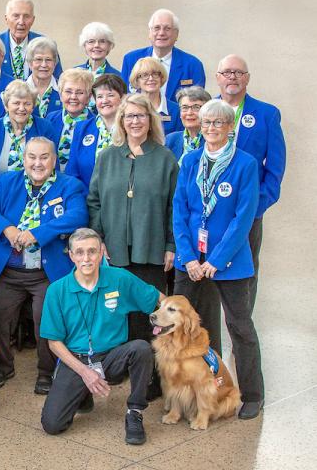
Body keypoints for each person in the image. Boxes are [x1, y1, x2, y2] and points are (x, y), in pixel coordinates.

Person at [172, 99, 263, 419]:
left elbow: (243, 217)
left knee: (240, 327)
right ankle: (187, 390)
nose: (210, 128)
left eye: (218, 123)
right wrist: (188, 256)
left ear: (230, 128)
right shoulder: (190, 160)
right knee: (180, 327)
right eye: (206, 122)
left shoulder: (245, 164)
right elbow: (180, 211)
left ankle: (252, 394)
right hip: (191, 261)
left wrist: (217, 260)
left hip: (229, 261)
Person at [0, 137, 88, 392]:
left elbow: (78, 215)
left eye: (44, 157)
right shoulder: (8, 181)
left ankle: (47, 372)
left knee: (44, 317)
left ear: (54, 159)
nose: (38, 163)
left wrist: (39, 232)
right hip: (10, 270)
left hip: (46, 273)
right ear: (24, 159)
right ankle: (3, 366)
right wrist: (6, 228)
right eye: (32, 157)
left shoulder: (70, 185)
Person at [87, 93, 177, 400]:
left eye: (140, 116)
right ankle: (119, 369)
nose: (135, 122)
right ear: (121, 121)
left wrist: (170, 244)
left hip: (151, 250)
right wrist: (98, 239)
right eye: (129, 116)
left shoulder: (165, 159)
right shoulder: (108, 156)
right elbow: (94, 201)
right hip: (115, 252)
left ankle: (151, 378)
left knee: (148, 315)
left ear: (150, 120)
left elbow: (173, 208)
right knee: (117, 311)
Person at [40, 228, 164, 445]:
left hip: (111, 357)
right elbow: (54, 343)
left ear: (101, 253)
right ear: (71, 255)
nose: (86, 258)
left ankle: (134, 412)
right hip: (76, 360)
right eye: (79, 252)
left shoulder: (120, 278)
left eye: (92, 251)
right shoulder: (56, 290)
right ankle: (82, 394)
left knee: (141, 348)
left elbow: (159, 299)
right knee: (52, 424)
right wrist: (85, 373)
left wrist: (182, 318)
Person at [214, 54, 286, 305]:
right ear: (217, 78)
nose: (232, 77)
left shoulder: (266, 114)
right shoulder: (204, 109)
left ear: (247, 79)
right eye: (226, 72)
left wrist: (256, 207)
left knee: (245, 272)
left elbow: (275, 169)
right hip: (209, 211)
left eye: (238, 72)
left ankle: (241, 335)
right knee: (206, 270)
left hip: (247, 211)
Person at [121, 8, 206, 102]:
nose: (161, 33)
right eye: (157, 28)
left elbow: (197, 103)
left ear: (176, 34)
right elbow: (124, 99)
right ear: (150, 33)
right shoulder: (131, 60)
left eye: (167, 28)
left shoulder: (193, 65)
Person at [65, 74, 128, 191]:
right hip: (88, 201)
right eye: (99, 96)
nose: (104, 101)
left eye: (110, 95)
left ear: (123, 98)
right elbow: (72, 173)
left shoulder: (130, 129)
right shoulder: (82, 128)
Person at [0, 79, 57, 181]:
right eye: (16, 103)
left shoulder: (45, 128)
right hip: (1, 191)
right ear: (6, 106)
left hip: (38, 191)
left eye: (27, 103)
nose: (21, 108)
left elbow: (53, 167)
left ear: (33, 107)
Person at [0, 0, 62, 80]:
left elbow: (58, 80)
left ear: (33, 20)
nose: (21, 22)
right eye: (16, 16)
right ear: (6, 19)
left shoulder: (45, 44)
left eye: (26, 16)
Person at [49, 68, 93, 172]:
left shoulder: (95, 125)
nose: (73, 97)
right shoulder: (50, 120)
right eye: (68, 91)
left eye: (80, 92)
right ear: (60, 95)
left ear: (89, 97)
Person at [128, 57, 181, 135]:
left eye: (155, 74)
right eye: (145, 75)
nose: (151, 78)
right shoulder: (128, 109)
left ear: (161, 77)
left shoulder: (176, 110)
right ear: (137, 80)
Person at [166, 86, 210, 162]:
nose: (189, 113)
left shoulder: (213, 140)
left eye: (196, 107)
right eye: (185, 107)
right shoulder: (171, 140)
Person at [25, 37, 62, 119]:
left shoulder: (63, 90)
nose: (44, 65)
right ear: (30, 63)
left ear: (55, 63)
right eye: (38, 59)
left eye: (48, 60)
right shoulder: (19, 90)